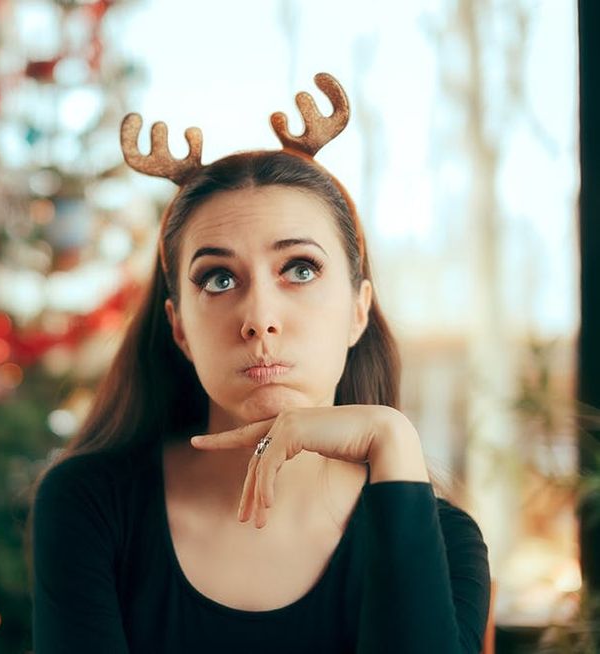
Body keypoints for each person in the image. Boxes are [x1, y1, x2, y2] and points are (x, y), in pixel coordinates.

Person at [26, 73, 491, 653]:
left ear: (358, 309)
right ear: (179, 329)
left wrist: (391, 436)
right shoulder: (91, 505)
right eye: (219, 279)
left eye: (300, 269)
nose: (259, 318)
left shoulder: (445, 543)